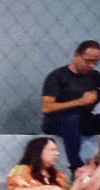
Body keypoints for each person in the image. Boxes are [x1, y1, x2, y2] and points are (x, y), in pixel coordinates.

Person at [39, 40, 100, 174]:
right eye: (88, 61)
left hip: (84, 120)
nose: (91, 65)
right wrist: (79, 101)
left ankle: (97, 163)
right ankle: (76, 168)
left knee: (81, 119)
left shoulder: (94, 76)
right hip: (57, 120)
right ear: (76, 55)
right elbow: (46, 107)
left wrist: (97, 94)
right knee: (72, 119)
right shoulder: (57, 76)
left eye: (96, 62)